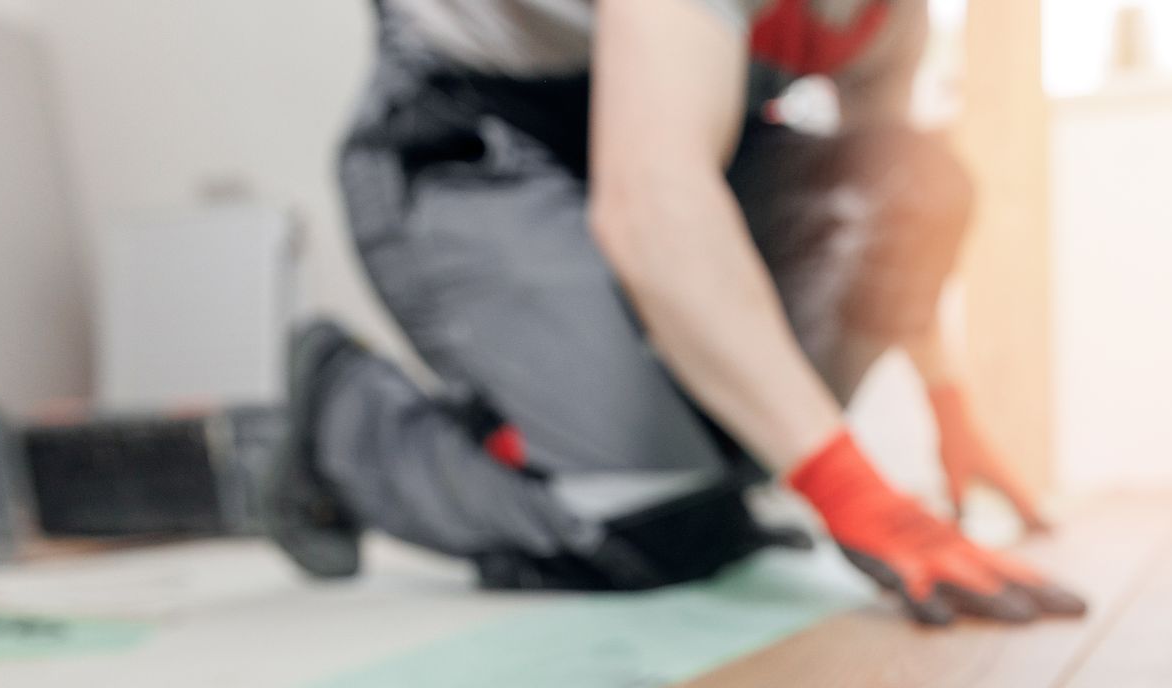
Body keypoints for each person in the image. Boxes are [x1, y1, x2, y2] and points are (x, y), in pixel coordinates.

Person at [266, 0, 1085, 625]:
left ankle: (664, 460)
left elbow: (888, 203)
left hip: (665, 146)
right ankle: (347, 422)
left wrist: (949, 404)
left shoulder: (889, 16)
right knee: (650, 527)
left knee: (916, 179)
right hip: (472, 139)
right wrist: (849, 489)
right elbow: (651, 208)